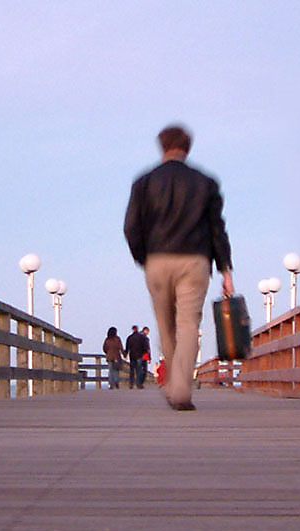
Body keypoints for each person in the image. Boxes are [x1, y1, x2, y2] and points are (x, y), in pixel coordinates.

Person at [124, 124, 234, 410]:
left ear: (162, 146)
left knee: (166, 326)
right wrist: (226, 271)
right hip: (194, 261)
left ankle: (173, 382)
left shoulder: (144, 182)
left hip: (158, 260)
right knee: (188, 325)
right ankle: (181, 388)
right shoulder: (206, 183)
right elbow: (217, 230)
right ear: (188, 147)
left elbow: (131, 227)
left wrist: (144, 257)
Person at [125, 325, 146, 389]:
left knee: (132, 370)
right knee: (139, 370)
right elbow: (144, 346)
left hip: (132, 356)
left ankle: (131, 384)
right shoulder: (141, 337)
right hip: (139, 355)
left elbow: (127, 347)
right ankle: (138, 384)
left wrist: (126, 354)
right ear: (137, 329)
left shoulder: (130, 337)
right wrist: (143, 353)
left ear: (132, 329)